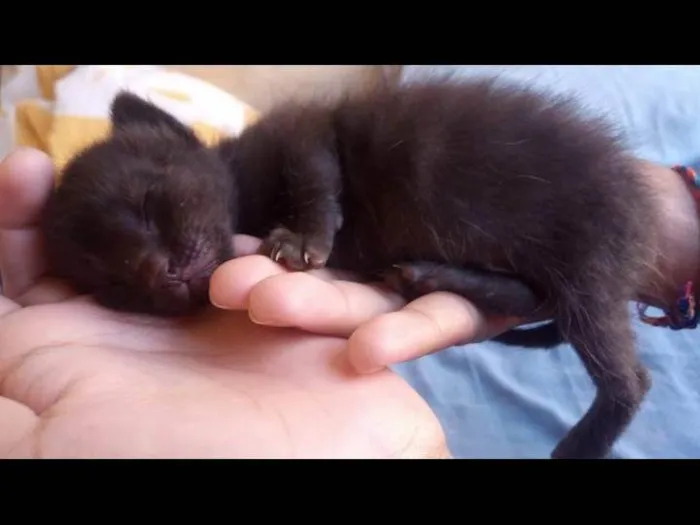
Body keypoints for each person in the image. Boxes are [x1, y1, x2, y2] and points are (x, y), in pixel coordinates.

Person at [0, 148, 697, 458]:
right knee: (555, 286)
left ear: (183, 153)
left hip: (567, 195)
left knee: (582, 279)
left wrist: (312, 223)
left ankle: (617, 396)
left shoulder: (268, 153)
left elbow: (318, 151)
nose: (149, 270)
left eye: (151, 213)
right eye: (115, 282)